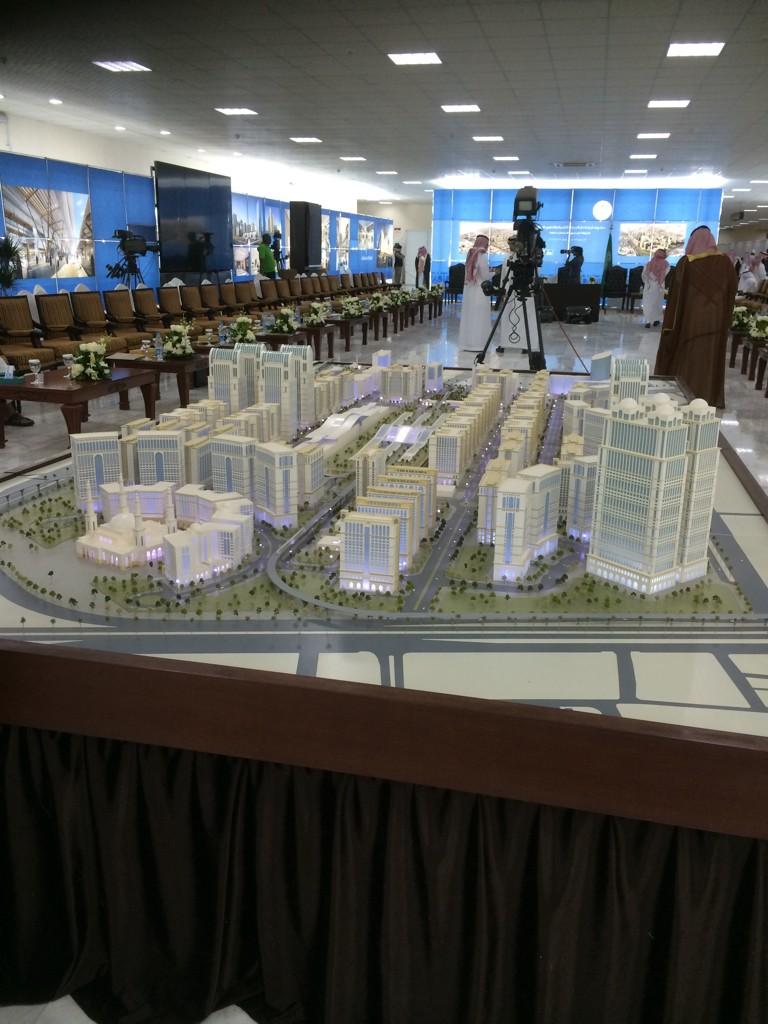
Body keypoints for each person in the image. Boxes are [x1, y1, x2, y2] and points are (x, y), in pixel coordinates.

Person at [654, 225, 737, 408]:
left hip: (689, 323)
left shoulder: (687, 263)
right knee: (710, 358)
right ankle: (707, 397)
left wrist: (670, 325)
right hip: (716, 325)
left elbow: (676, 298)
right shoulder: (726, 263)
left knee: (689, 358)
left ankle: (685, 397)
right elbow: (731, 293)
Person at [457, 234, 491, 350]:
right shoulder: (483, 255)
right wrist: (493, 273)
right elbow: (485, 275)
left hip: (469, 290)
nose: (487, 246)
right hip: (480, 290)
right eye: (487, 244)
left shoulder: (471, 253)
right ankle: (478, 345)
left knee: (469, 317)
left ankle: (467, 344)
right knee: (479, 318)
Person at [641, 248, 669, 327]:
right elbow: (664, 275)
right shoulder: (666, 265)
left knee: (650, 303)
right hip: (656, 286)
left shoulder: (649, 264)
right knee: (655, 304)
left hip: (651, 286)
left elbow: (644, 275)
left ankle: (650, 320)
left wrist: (650, 279)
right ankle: (653, 320)